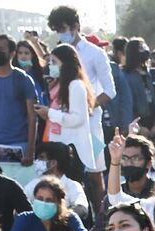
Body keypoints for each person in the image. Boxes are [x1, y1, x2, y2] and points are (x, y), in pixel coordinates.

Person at [46, 7, 116, 214]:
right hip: (63, 126)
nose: (61, 34)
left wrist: (87, 107)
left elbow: (110, 91)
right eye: (57, 30)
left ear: (76, 27)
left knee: (95, 175)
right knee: (64, 175)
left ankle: (101, 220)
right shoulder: (58, 54)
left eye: (63, 29)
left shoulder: (95, 53)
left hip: (91, 124)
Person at [35, 43, 98, 186]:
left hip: (73, 151)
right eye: (50, 62)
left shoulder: (75, 86)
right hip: (60, 148)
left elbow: (78, 118)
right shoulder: (59, 86)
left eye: (54, 62)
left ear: (66, 64)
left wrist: (50, 113)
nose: (51, 65)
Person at [0, 33, 39, 164]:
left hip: (20, 143)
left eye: (1, 49)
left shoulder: (23, 79)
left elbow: (32, 116)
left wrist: (30, 149)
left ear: (11, 53)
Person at [27, 141, 89, 221]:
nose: (36, 161)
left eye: (41, 158)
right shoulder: (33, 184)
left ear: (53, 163)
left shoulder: (73, 186)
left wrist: (62, 217)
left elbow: (82, 208)